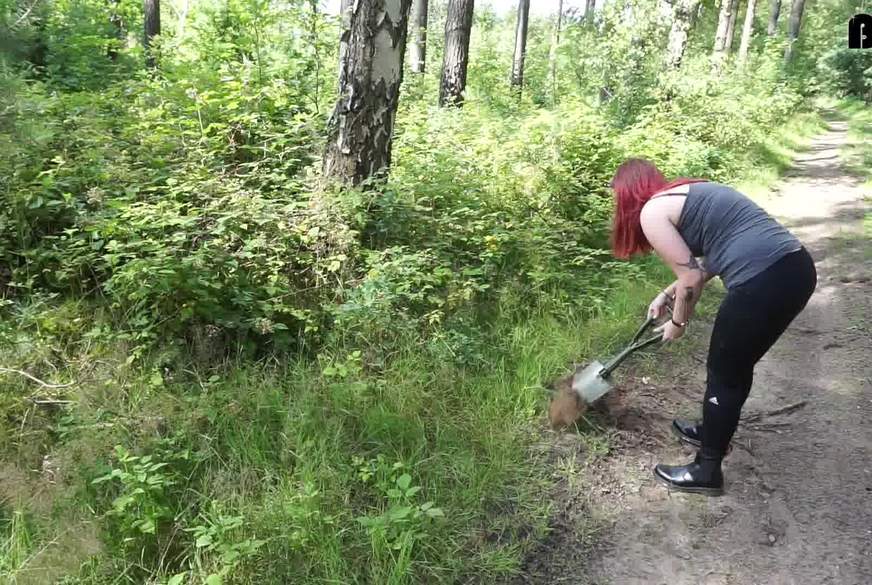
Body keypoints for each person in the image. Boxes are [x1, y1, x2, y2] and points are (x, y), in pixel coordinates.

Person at [610, 158, 817, 496]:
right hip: (794, 269)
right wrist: (667, 293)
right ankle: (712, 432)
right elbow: (706, 264)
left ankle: (706, 470)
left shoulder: (651, 212)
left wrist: (678, 323)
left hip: (766, 278)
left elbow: (690, 277)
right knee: (735, 364)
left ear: (627, 195)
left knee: (724, 370)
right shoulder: (690, 193)